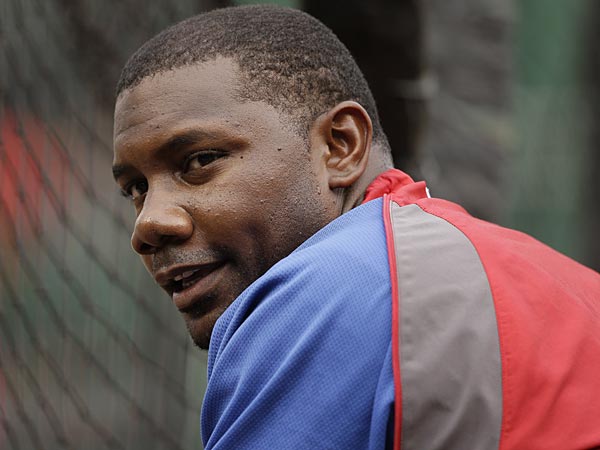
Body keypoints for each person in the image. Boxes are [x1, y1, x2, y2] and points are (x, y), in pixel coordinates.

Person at [112, 5, 600, 450]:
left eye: (200, 161)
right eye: (135, 189)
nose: (149, 223)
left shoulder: (328, 289)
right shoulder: (567, 282)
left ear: (340, 147)